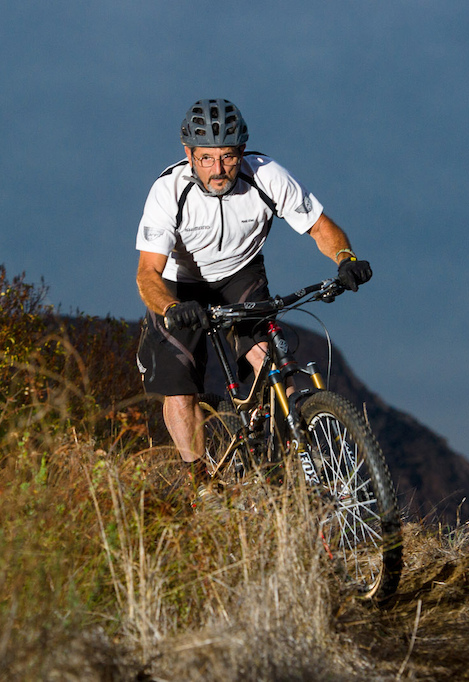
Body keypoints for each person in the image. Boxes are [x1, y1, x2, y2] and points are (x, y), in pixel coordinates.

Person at [134, 98, 372, 490]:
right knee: (178, 386)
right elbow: (147, 274)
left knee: (272, 355)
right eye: (206, 158)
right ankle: (202, 485)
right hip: (178, 284)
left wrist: (345, 259)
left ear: (241, 152)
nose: (217, 169)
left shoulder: (266, 175)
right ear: (188, 154)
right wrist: (172, 308)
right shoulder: (167, 192)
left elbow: (319, 227)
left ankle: (297, 443)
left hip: (239, 273)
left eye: (227, 157)